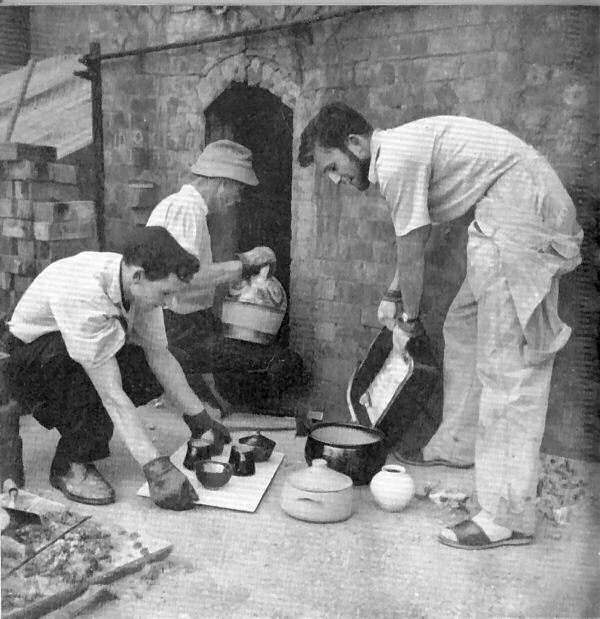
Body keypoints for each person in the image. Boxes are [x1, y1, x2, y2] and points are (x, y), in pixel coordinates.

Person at [298, 102, 582, 550]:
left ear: (355, 144)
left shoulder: (394, 161)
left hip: (523, 210)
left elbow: (413, 250)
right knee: (463, 322)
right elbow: (412, 243)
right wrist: (394, 295)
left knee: (507, 368)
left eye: (333, 166)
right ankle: (460, 442)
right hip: (509, 207)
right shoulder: (398, 151)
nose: (336, 179)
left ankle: (507, 516)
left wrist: (407, 322)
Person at [4, 226, 233, 511]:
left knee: (166, 360)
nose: (168, 302)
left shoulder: (137, 283)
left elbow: (159, 356)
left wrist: (199, 418)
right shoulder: (84, 291)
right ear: (137, 276)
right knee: (89, 374)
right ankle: (69, 463)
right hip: (29, 366)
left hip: (68, 352)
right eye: (165, 293)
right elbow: (110, 392)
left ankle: (86, 435)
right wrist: (155, 467)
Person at [146, 139, 276, 417]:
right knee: (219, 411)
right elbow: (184, 277)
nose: (237, 198)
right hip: (173, 329)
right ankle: (174, 389)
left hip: (189, 324)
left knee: (227, 392)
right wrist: (244, 264)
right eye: (238, 189)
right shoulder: (187, 209)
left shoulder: (188, 209)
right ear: (222, 182)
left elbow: (189, 272)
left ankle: (189, 389)